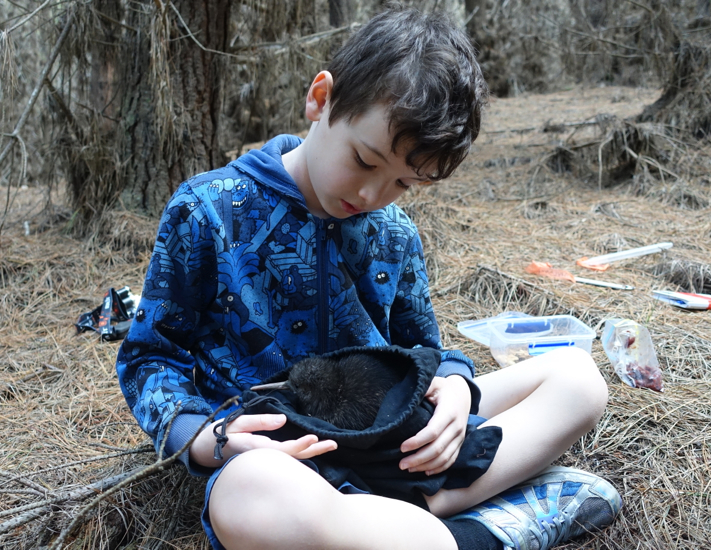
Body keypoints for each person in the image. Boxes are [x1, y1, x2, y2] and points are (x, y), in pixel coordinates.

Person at [116, 5, 622, 550]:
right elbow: (151, 357)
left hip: (398, 441)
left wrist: (453, 387)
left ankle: (423, 519)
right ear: (320, 99)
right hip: (288, 462)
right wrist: (207, 440)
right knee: (248, 495)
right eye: (363, 160)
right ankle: (471, 536)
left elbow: (421, 347)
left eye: (403, 183)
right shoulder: (208, 211)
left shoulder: (394, 233)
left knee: (578, 378)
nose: (371, 196)